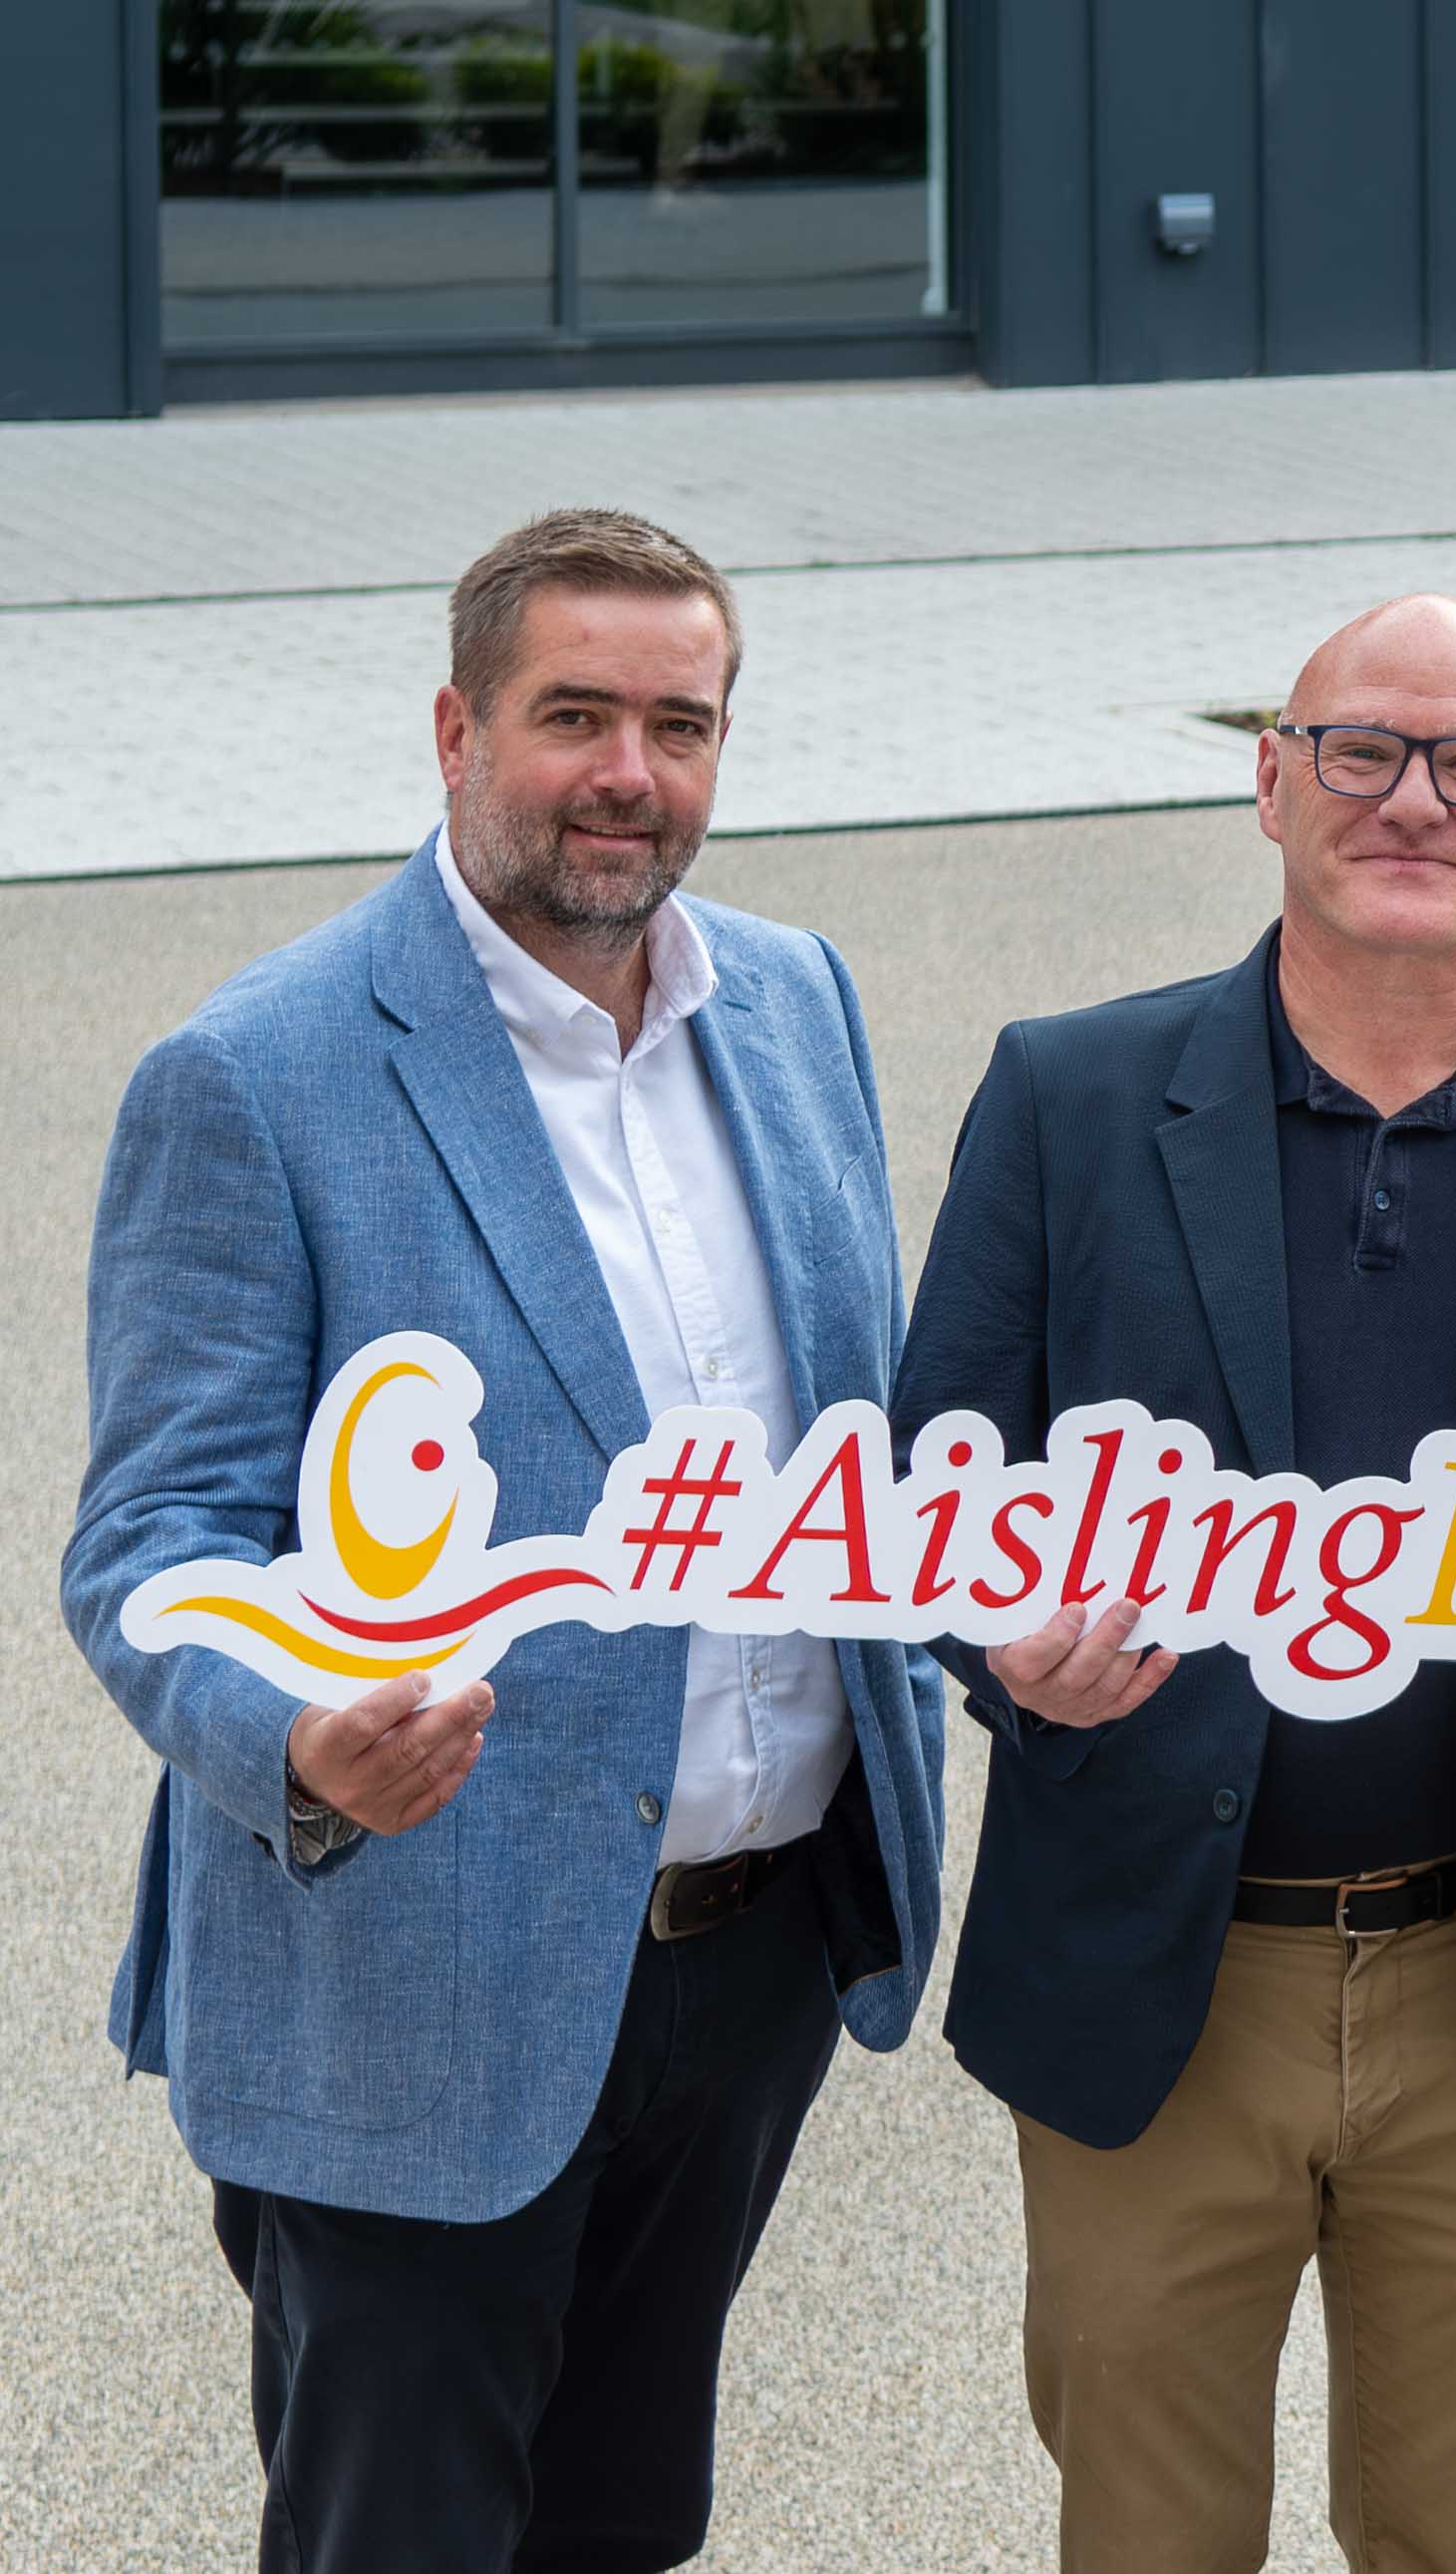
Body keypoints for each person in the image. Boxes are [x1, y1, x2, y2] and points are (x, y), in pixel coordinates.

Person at [65, 508, 945, 2574]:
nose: (629, 772)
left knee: (625, 2526)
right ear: (456, 729)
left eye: (679, 721)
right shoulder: (260, 1075)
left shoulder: (795, 1002)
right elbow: (152, 1537)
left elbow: (859, 1436)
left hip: (747, 1956)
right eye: (574, 715)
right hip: (413, 1962)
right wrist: (293, 1724)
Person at [900, 594, 1456, 2570]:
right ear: (1271, 783)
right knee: (1151, 2532)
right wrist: (1004, 1650)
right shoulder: (1073, 1094)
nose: (1414, 799)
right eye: (1364, 749)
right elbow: (933, 1482)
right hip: (1159, 1963)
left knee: (1454, 2537)